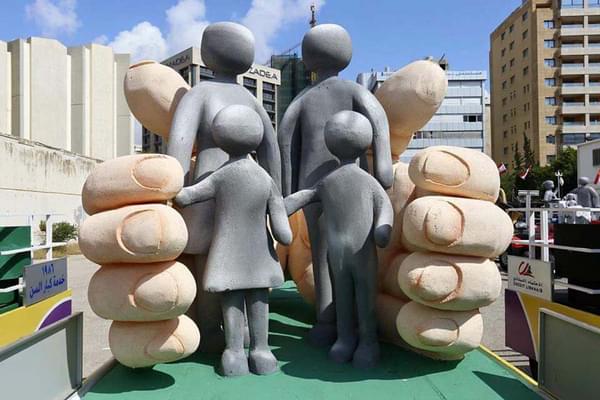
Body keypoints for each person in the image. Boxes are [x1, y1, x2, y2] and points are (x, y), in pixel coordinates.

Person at [168, 22, 281, 352]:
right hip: (249, 189)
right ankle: (244, 330)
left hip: (206, 181)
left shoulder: (199, 94)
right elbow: (272, 152)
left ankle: (210, 328)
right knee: (248, 257)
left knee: (210, 257)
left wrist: (171, 189)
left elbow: (179, 143)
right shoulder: (252, 100)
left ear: (208, 53)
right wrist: (276, 195)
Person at [278, 24, 393, 346]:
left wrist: (288, 190)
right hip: (356, 185)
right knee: (359, 251)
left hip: (313, 184)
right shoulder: (356, 92)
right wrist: (383, 170)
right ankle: (357, 320)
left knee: (323, 253)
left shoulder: (302, 98)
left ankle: (328, 319)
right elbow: (379, 124)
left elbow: (285, 141)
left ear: (307, 58)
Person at [175, 105, 292, 376]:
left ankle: (234, 353)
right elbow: (282, 229)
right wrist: (284, 233)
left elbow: (187, 196)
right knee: (259, 298)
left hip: (228, 252)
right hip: (259, 255)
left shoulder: (220, 176)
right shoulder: (264, 178)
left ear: (220, 137)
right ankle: (262, 351)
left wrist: (173, 188)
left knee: (232, 297)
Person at [285, 111, 393, 368]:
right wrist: (285, 204)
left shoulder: (352, 182)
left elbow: (384, 206)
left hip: (354, 252)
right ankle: (347, 339)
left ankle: (367, 341)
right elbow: (308, 196)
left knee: (359, 297)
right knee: (347, 297)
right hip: (345, 254)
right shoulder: (339, 182)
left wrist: (382, 228)